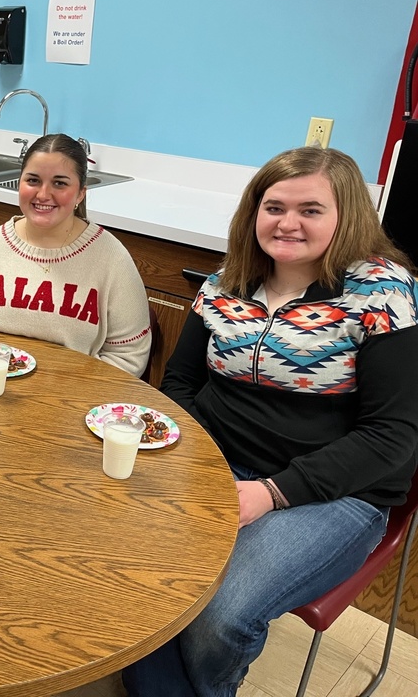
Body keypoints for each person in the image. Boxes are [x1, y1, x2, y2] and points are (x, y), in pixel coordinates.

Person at [122, 147, 418, 696]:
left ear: (346, 216)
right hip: (217, 464)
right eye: (274, 206)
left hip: (333, 492)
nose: (287, 223)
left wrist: (272, 493)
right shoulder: (227, 281)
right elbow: (182, 384)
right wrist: (190, 467)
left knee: (222, 613)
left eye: (310, 209)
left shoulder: (380, 292)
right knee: (129, 556)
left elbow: (392, 437)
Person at [0, 133, 151, 376]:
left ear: (81, 193)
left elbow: (129, 356)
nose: (43, 194)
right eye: (33, 180)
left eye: (60, 183)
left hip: (71, 404)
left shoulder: (112, 259)